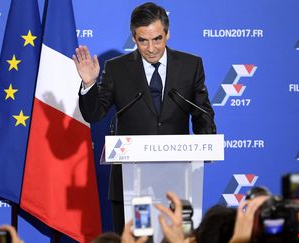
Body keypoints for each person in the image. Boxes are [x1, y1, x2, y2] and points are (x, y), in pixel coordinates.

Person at [73, 2, 216, 234]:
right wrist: (89, 84)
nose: (151, 48)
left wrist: (206, 146)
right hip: (130, 184)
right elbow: (94, 113)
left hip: (178, 182)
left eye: (157, 39)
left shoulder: (191, 65)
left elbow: (202, 113)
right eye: (143, 41)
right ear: (134, 38)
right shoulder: (116, 69)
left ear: (168, 34)